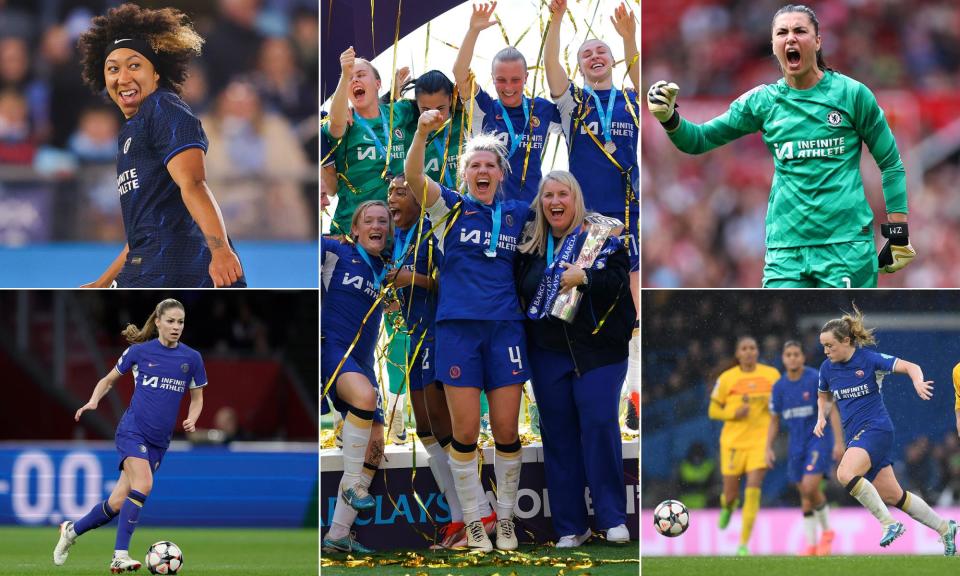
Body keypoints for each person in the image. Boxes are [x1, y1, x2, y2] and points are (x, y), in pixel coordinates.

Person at [647, 4, 915, 288]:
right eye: (782, 32)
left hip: (846, 246)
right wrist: (669, 118)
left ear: (818, 41)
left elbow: (891, 164)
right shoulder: (762, 102)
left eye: (800, 30)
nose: (791, 38)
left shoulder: (853, 95)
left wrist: (898, 233)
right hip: (786, 252)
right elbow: (698, 140)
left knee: (843, 332)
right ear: (773, 45)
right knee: (779, 330)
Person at [405, 109, 531, 552]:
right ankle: (476, 524)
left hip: (506, 333)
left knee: (505, 430)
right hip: (458, 332)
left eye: (489, 165)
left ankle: (509, 522)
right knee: (465, 434)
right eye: (475, 165)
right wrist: (422, 131)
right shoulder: (449, 210)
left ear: (501, 173)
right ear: (465, 174)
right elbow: (414, 174)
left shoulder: (518, 215)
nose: (482, 170)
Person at [76, 4, 245, 288]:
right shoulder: (131, 130)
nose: (123, 77)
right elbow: (142, 232)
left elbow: (194, 183)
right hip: (150, 260)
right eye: (113, 69)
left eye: (134, 65)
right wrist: (102, 283)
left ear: (156, 73)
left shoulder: (162, 107)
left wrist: (220, 251)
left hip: (179, 265)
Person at [515, 170, 633, 547]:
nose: (555, 202)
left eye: (562, 194)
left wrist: (585, 277)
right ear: (541, 203)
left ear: (575, 199)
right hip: (548, 354)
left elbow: (617, 285)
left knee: (599, 424)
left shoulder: (602, 237)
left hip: (599, 352)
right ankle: (571, 525)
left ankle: (612, 517)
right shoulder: (529, 247)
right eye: (548, 195)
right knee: (558, 436)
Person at [54, 299, 207, 572]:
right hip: (132, 430)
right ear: (158, 321)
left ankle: (71, 531)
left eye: (180, 322)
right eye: (170, 321)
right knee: (144, 485)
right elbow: (108, 380)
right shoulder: (139, 352)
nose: (176, 327)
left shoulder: (191, 358)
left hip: (159, 442)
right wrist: (93, 401)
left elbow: (197, 398)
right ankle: (119, 554)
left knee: (115, 503)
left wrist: (192, 418)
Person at [385, 174, 494, 548]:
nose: (392, 200)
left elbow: (448, 281)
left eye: (401, 192)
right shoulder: (398, 239)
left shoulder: (434, 233)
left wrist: (409, 279)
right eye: (390, 194)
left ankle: (482, 512)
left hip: (438, 332)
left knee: (443, 426)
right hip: (415, 334)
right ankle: (458, 517)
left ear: (420, 200)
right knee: (426, 431)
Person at [544, 0, 640, 410]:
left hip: (631, 218)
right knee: (574, 302)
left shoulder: (634, 99)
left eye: (602, 51)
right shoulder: (574, 103)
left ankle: (634, 395)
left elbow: (648, 78)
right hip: (586, 223)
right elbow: (551, 70)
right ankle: (571, 380)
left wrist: (629, 37)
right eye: (587, 54)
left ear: (614, 60)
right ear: (580, 67)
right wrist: (557, 20)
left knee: (633, 311)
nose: (595, 57)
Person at [815, 306, 957, 553]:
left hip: (876, 429)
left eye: (830, 345)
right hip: (857, 436)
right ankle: (945, 528)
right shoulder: (827, 368)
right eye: (823, 346)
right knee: (894, 496)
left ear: (846, 341)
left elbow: (911, 366)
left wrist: (917, 381)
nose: (826, 351)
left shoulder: (869, 359)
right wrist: (821, 417)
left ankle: (888, 523)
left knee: (845, 473)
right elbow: (823, 396)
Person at [320, 200, 393, 554]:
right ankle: (352, 485)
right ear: (355, 230)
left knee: (375, 447)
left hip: (362, 363)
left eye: (383, 220)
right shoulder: (335, 251)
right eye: (369, 220)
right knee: (366, 398)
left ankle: (337, 535)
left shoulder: (388, 269)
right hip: (332, 351)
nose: (377, 225)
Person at [452, 2, 562, 205]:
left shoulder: (541, 109)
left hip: (530, 213)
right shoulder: (484, 108)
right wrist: (473, 30)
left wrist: (557, 19)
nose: (508, 87)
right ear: (492, 78)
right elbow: (460, 73)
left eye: (515, 80)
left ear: (526, 77)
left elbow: (577, 122)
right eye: (501, 80)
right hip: (488, 212)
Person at [324, 46, 417, 237]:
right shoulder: (345, 121)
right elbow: (336, 123)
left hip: (397, 231)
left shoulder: (399, 112)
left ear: (378, 83)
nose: (354, 79)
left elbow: (437, 103)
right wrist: (344, 73)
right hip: (350, 231)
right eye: (350, 78)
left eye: (360, 74)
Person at [766, 340, 843, 556]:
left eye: (796, 354)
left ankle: (827, 532)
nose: (792, 358)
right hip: (796, 445)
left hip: (818, 440)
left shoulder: (814, 379)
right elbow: (774, 421)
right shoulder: (779, 387)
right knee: (805, 495)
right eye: (788, 354)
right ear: (783, 358)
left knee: (810, 488)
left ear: (802, 357)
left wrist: (839, 442)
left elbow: (833, 411)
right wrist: (767, 448)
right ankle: (811, 545)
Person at [708, 336, 781, 556]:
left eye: (752, 348)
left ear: (757, 352)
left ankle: (743, 543)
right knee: (731, 494)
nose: (749, 352)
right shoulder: (727, 378)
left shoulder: (771, 375)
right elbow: (713, 411)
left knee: (753, 488)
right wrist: (733, 413)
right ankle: (727, 506)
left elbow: (778, 406)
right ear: (738, 354)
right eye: (744, 349)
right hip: (733, 443)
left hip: (760, 442)